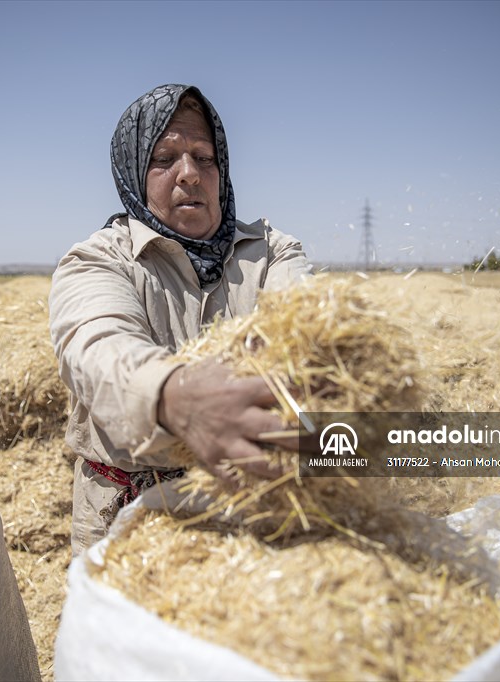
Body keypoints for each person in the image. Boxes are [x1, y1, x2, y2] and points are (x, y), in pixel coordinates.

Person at [49, 84, 312, 555]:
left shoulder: (272, 253)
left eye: (204, 158)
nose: (189, 174)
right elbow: (96, 348)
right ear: (133, 173)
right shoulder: (100, 261)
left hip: (259, 502)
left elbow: (307, 329)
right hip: (128, 517)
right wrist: (176, 397)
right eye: (164, 159)